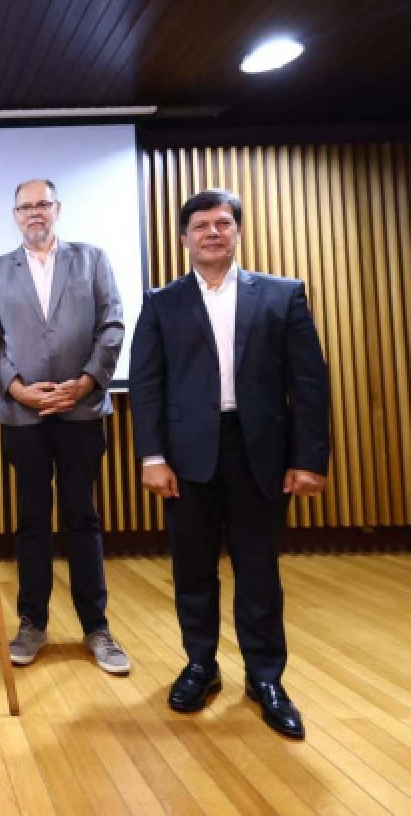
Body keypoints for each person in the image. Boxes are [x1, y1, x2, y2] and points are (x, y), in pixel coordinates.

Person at [129, 188, 329, 740]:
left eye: (222, 223)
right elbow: (147, 387)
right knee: (192, 568)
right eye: (200, 225)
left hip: (258, 452)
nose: (212, 232)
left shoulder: (281, 295)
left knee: (259, 571)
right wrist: (152, 456)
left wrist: (309, 459)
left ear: (237, 231)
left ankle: (265, 678)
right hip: (187, 457)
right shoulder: (161, 302)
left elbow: (309, 383)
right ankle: (201, 665)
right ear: (185, 237)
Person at [0, 179, 131, 675]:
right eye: (25, 206)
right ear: (15, 214)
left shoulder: (93, 259)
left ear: (57, 209)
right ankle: (32, 624)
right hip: (23, 415)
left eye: (42, 204)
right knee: (32, 520)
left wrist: (85, 382)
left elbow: (112, 326)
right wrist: (16, 388)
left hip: (81, 411)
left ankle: (97, 628)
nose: (34, 213)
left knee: (83, 517)